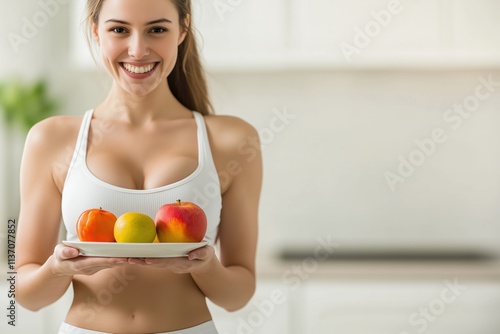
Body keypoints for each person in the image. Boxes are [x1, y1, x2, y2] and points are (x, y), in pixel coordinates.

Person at [15, 0, 262, 333]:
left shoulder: (231, 140)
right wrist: (60, 268)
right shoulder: (51, 139)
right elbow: (26, 294)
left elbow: (238, 294)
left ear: (182, 29)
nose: (137, 49)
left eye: (157, 30)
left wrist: (205, 267)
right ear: (95, 31)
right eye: (119, 29)